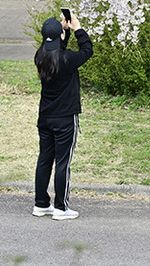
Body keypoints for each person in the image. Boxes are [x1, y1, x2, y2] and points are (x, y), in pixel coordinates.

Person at [32, 12, 94, 220]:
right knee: (63, 162)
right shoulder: (68, 59)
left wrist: (63, 31)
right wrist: (77, 29)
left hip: (46, 117)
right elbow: (87, 50)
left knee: (44, 160)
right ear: (59, 37)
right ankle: (61, 207)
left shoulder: (40, 56)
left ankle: (41, 204)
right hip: (66, 118)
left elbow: (56, 49)